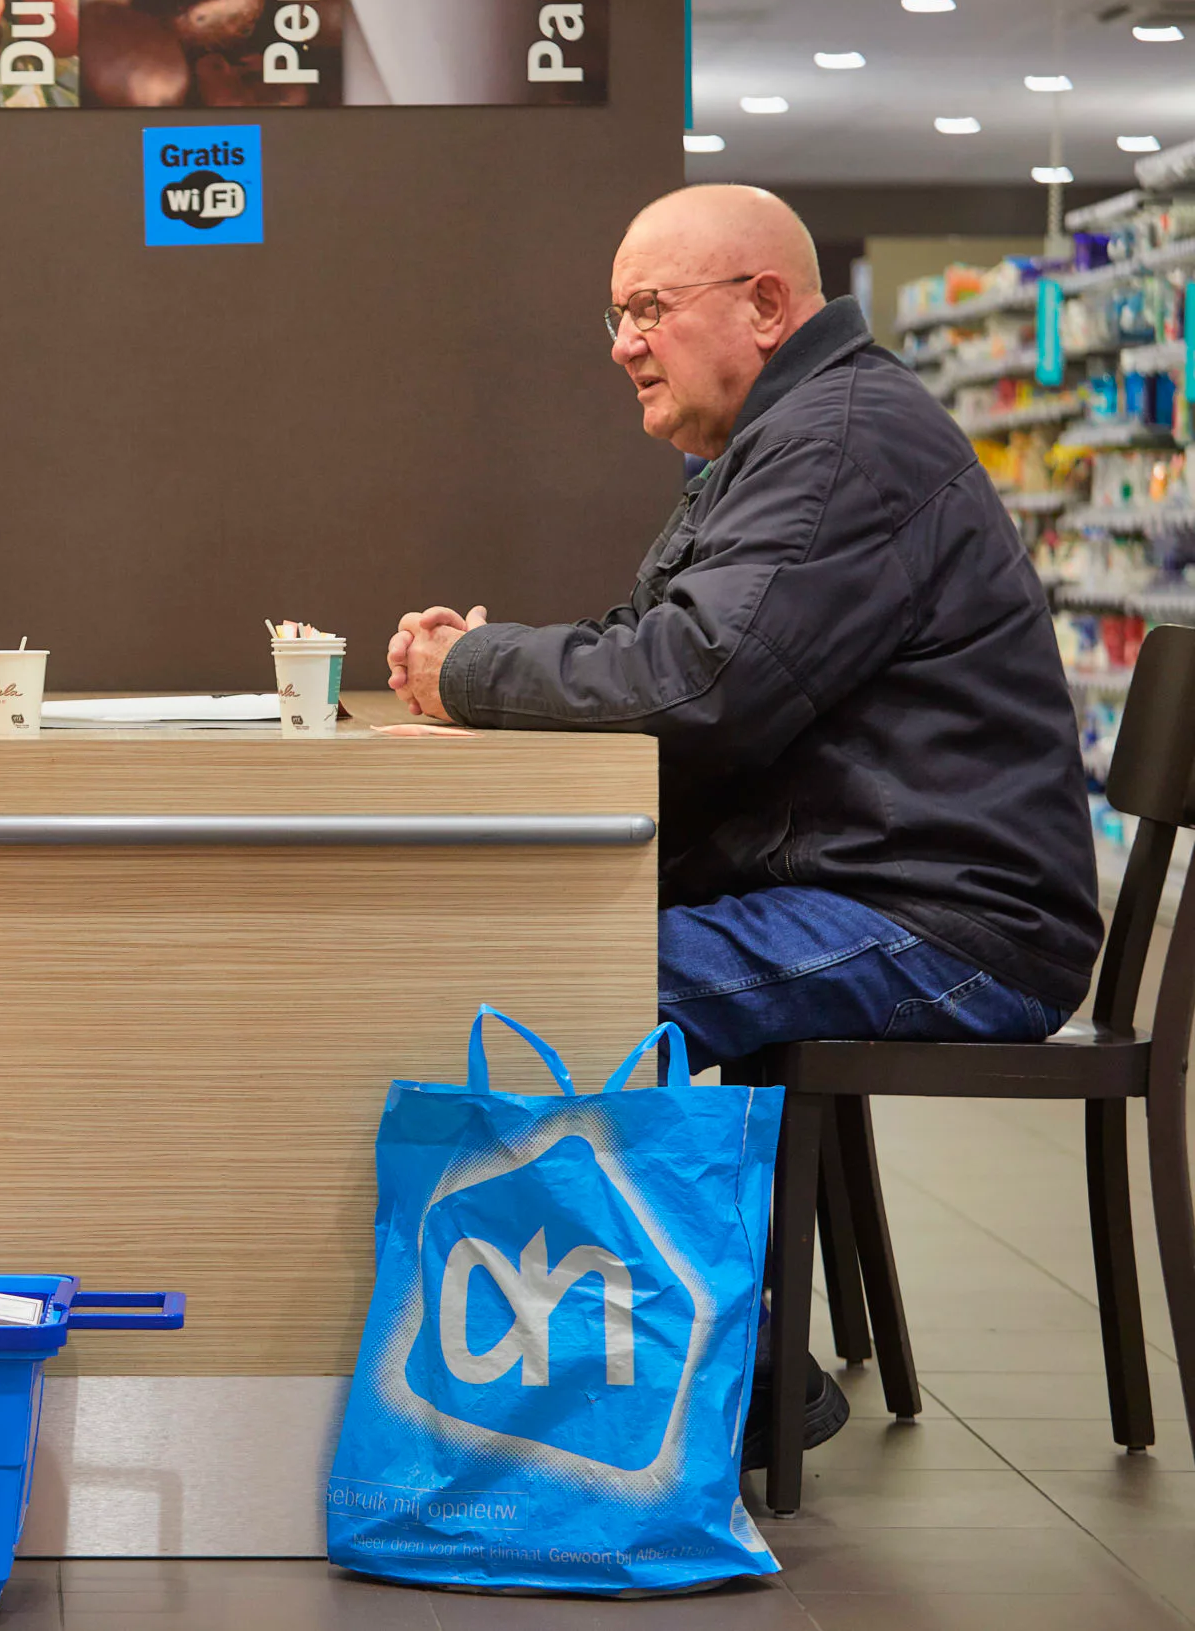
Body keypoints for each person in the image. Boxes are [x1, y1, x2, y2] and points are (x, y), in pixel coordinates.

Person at [386, 185, 1103, 1461]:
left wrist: (479, 671)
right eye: (614, 315)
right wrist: (485, 667)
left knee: (582, 987)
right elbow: (647, 646)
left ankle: (729, 1360)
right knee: (559, 965)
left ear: (764, 304)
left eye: (647, 308)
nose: (621, 343)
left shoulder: (836, 442)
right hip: (869, 880)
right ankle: (693, 1339)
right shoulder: (782, 439)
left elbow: (694, 686)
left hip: (945, 921)